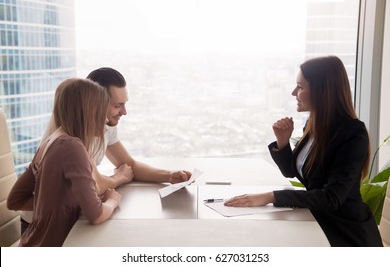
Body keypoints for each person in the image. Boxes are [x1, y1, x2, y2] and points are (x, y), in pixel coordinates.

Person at [224, 56, 383, 247]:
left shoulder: (352, 133)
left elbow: (331, 198)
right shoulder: (314, 124)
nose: (293, 92)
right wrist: (283, 143)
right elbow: (296, 172)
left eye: (300, 87)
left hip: (345, 233)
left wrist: (270, 196)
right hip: (316, 222)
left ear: (322, 91)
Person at [18, 67, 192, 234]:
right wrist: (119, 178)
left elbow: (128, 164)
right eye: (117, 105)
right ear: (95, 103)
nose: (124, 112)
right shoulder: (73, 132)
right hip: (42, 225)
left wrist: (169, 175)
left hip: (70, 217)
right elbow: (96, 185)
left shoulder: (105, 123)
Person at [7, 78, 122, 246]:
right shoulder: (73, 147)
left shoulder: (50, 142)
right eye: (101, 112)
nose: (105, 120)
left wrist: (58, 205)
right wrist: (112, 200)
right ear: (88, 111)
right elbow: (96, 215)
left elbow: (15, 200)